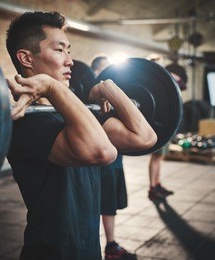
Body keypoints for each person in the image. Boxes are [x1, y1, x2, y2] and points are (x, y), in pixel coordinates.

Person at [5, 11, 157, 260]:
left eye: (69, 50)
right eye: (59, 50)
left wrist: (109, 87)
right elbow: (103, 152)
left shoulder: (76, 116)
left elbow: (144, 138)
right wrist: (53, 87)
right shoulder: (26, 124)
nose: (70, 61)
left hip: (88, 250)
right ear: (26, 58)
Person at [91, 55, 137, 259]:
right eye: (103, 70)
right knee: (97, 204)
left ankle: (110, 245)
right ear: (94, 72)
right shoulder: (88, 96)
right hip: (98, 160)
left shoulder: (115, 94)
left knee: (109, 203)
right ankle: (105, 246)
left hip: (115, 158)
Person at [146, 54, 188, 201]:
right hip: (156, 124)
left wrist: (168, 73)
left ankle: (157, 184)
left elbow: (182, 85)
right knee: (155, 157)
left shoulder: (162, 79)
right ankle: (152, 188)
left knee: (160, 157)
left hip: (165, 122)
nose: (161, 67)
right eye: (158, 64)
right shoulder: (149, 80)